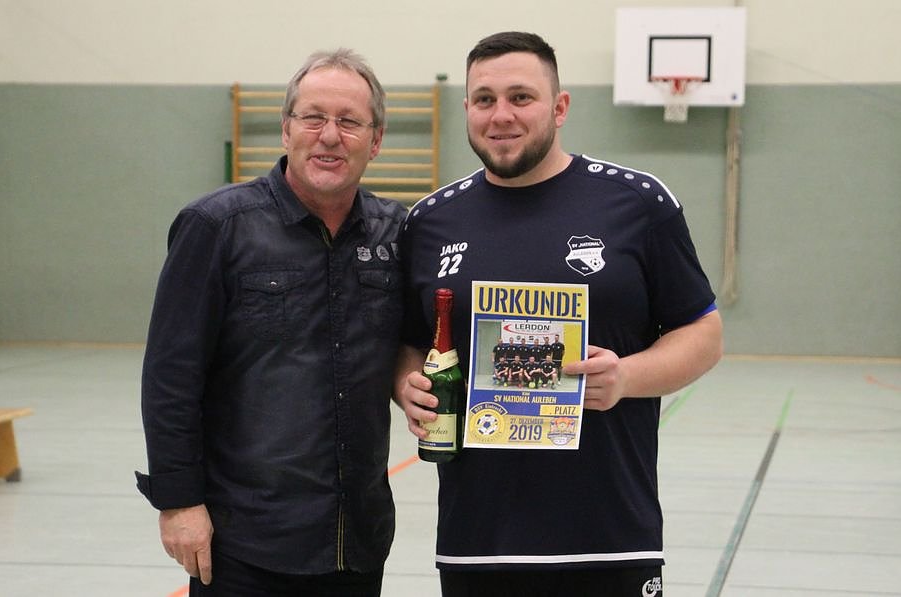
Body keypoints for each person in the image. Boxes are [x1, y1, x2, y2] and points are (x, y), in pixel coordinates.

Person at [394, 31, 723, 596]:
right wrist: (407, 386)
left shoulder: (638, 203)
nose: (501, 115)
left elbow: (703, 333)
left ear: (560, 107)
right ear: (467, 109)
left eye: (521, 97)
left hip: (611, 537)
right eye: (484, 99)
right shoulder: (429, 222)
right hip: (478, 541)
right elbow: (408, 342)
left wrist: (626, 377)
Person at [135, 48, 406, 596]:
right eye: (313, 117)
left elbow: (417, 345)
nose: (329, 136)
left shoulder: (396, 233)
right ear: (286, 129)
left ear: (375, 140)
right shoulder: (216, 227)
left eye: (349, 122)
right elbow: (171, 377)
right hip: (244, 543)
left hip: (357, 542)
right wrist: (179, 502)